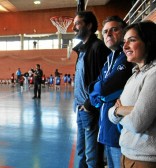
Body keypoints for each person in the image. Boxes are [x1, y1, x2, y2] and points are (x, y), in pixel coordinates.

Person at [108, 21, 156, 168]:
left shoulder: (154, 74)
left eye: (132, 40)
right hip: (126, 154)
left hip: (145, 160)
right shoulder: (134, 75)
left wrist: (118, 111)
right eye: (124, 41)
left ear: (148, 42)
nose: (125, 46)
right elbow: (111, 114)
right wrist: (120, 110)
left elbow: (137, 123)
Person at [88, 16, 133, 168]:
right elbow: (96, 89)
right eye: (105, 31)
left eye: (114, 30)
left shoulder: (126, 57)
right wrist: (98, 96)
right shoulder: (109, 59)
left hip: (119, 131)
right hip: (107, 127)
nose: (108, 34)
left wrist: (99, 93)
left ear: (124, 32)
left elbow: (103, 88)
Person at [72, 11, 111, 168]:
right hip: (81, 108)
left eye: (78, 24)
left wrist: (89, 104)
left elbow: (105, 80)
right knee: (81, 152)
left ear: (88, 25)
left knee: (92, 156)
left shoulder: (97, 47)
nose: (74, 28)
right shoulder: (82, 50)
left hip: (90, 109)